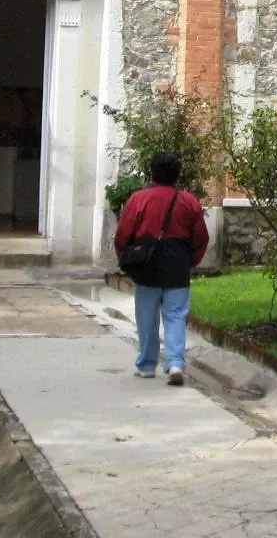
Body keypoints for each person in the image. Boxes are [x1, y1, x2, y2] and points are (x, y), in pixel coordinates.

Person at [113, 151, 209, 385]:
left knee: (146, 314)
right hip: (177, 262)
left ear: (152, 172)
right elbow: (201, 238)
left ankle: (147, 364)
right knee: (176, 315)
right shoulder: (189, 201)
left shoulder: (139, 199)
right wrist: (191, 261)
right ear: (177, 174)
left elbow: (123, 235)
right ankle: (176, 362)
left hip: (147, 263)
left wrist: (126, 259)